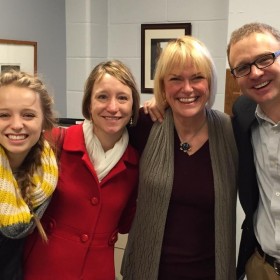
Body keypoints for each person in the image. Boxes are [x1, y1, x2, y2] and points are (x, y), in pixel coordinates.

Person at [121, 35, 238, 280]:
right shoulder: (144, 125)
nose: (187, 89)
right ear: (163, 86)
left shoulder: (230, 131)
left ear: (210, 83)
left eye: (197, 78)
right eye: (175, 79)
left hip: (210, 272)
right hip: (149, 271)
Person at [23, 60, 140, 280]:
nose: (113, 107)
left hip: (98, 272)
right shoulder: (54, 142)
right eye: (102, 96)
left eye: (122, 98)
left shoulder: (136, 165)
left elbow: (125, 224)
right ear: (88, 104)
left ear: (133, 107)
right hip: (43, 269)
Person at [228, 22, 280, 280]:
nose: (256, 73)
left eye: (265, 59)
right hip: (261, 266)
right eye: (243, 67)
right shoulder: (243, 114)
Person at [0, 70, 58, 280]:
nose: (16, 124)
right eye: (4, 115)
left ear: (45, 122)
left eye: (28, 115)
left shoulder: (45, 173)